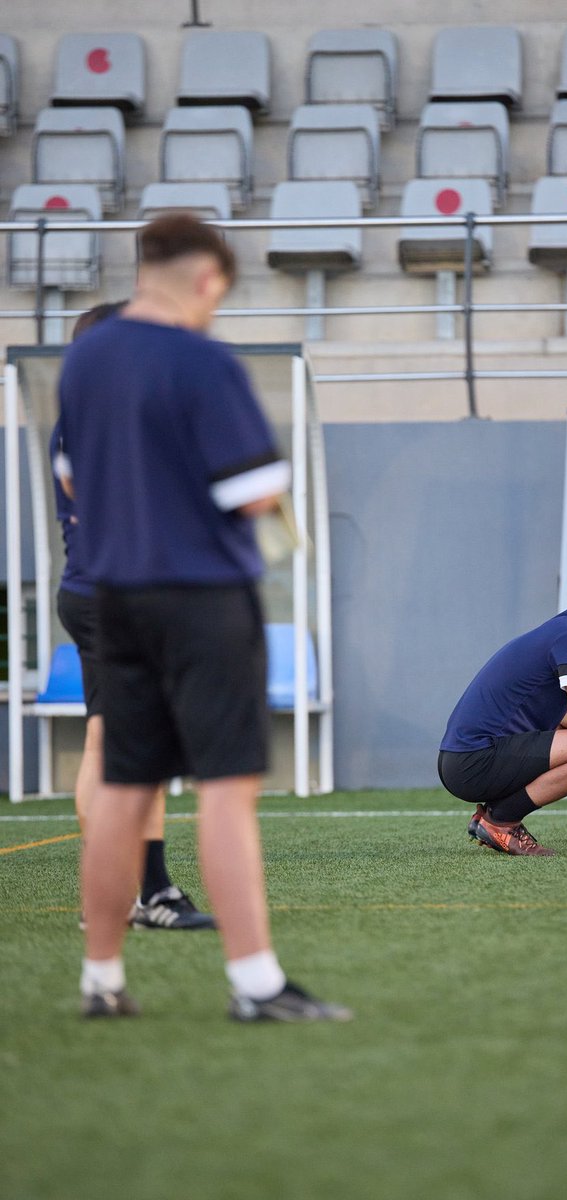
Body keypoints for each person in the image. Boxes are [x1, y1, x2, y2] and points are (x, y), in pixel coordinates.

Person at [57, 213, 351, 1022]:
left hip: (115, 598)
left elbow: (73, 478)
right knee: (225, 789)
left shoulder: (85, 365)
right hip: (201, 597)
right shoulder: (202, 360)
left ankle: (102, 980)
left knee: (123, 789)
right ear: (209, 280)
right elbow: (253, 492)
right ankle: (256, 984)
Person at [52, 301, 215, 931]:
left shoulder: (80, 418)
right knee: (137, 749)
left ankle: (123, 890)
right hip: (118, 597)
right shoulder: (106, 417)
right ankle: (149, 893)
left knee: (105, 739)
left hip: (90, 593)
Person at [438, 559, 567, 856]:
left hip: (462, 760)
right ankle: (501, 821)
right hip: (473, 760)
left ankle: (495, 817)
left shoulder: (564, 630)